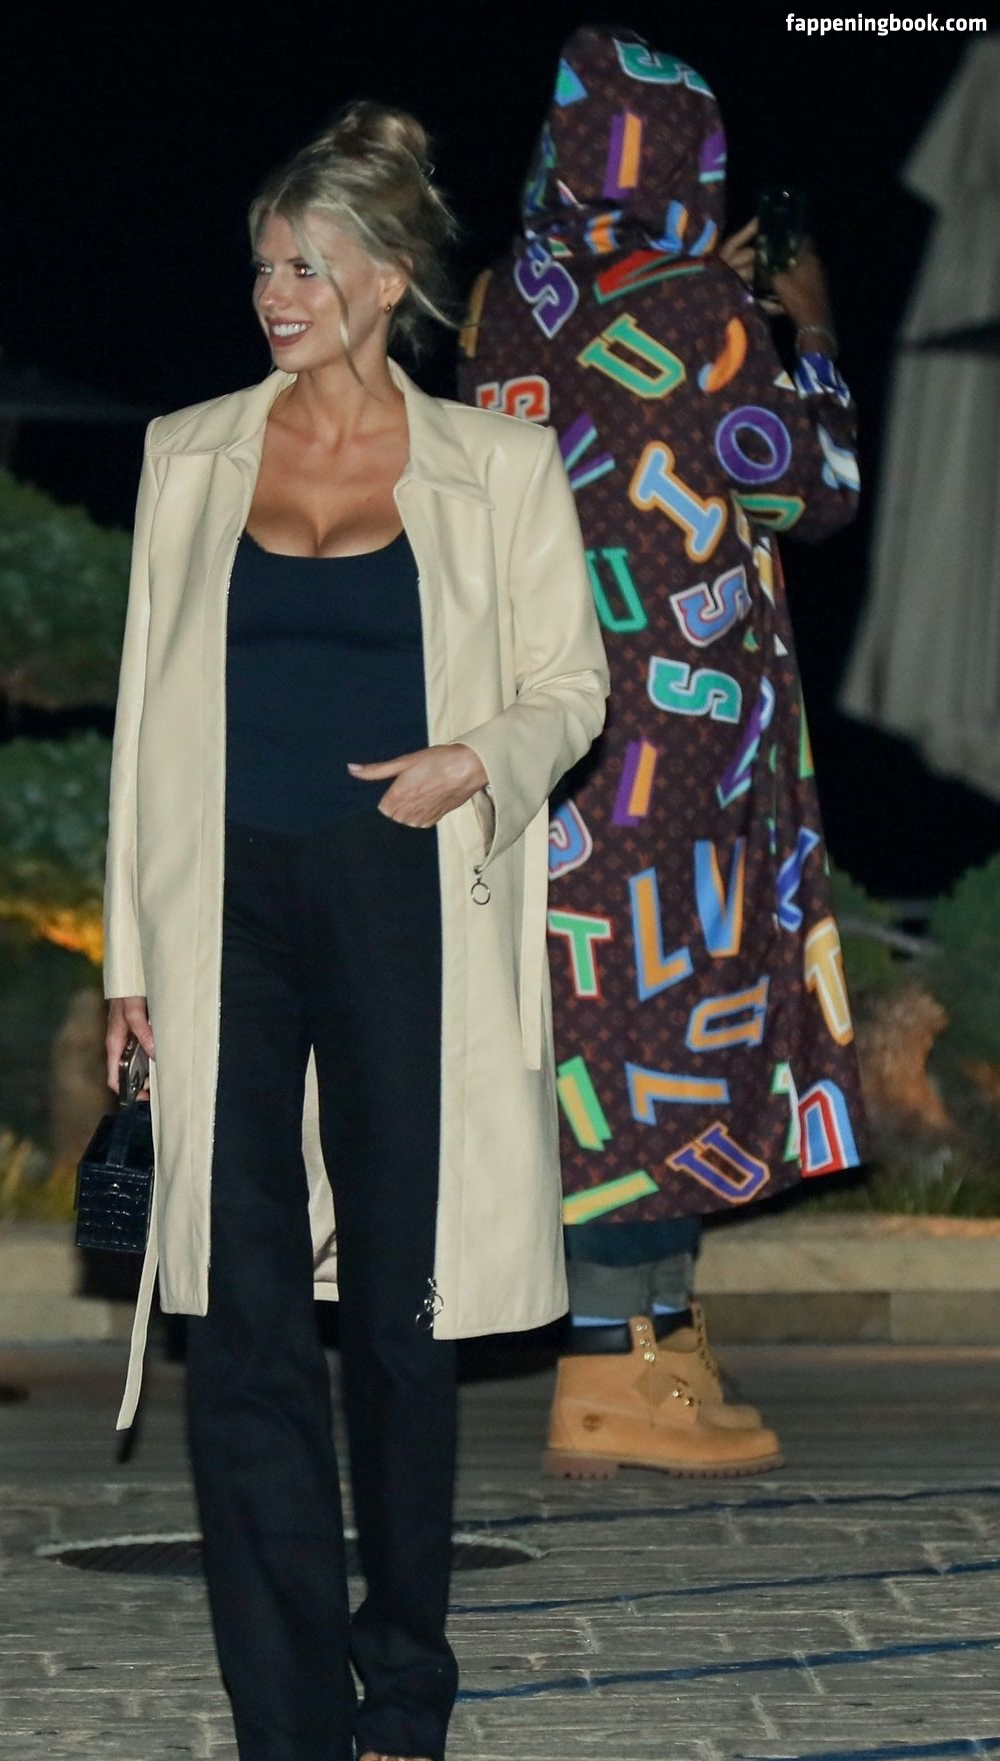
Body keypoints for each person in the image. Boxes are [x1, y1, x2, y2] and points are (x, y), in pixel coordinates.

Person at [102, 102, 608, 1761]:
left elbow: (573, 686)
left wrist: (478, 758)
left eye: (311, 267)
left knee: (401, 1313)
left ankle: (407, 1667)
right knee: (243, 1318)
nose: (278, 293)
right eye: (265, 264)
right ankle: (286, 1726)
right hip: (223, 913)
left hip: (410, 901)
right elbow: (140, 723)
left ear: (391, 280)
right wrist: (127, 956)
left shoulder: (497, 466)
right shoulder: (187, 453)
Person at [459, 26, 866, 1477]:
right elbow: (811, 490)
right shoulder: (704, 305)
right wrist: (806, 333)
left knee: (596, 1036)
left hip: (547, 723)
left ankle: (657, 1347)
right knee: (675, 1030)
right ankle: (609, 1373)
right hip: (679, 737)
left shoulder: (499, 300)